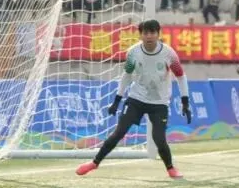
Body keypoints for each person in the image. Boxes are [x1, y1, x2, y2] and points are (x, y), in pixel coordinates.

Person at [75, 20, 190, 179]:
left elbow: (180, 76)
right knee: (119, 132)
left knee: (159, 139)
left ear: (158, 34)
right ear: (140, 35)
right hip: (136, 99)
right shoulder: (133, 52)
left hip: (159, 103)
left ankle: (171, 169)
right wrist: (117, 100)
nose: (149, 36)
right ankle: (94, 163)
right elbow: (127, 75)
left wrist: (185, 102)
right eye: (145, 33)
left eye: (152, 32)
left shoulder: (169, 54)